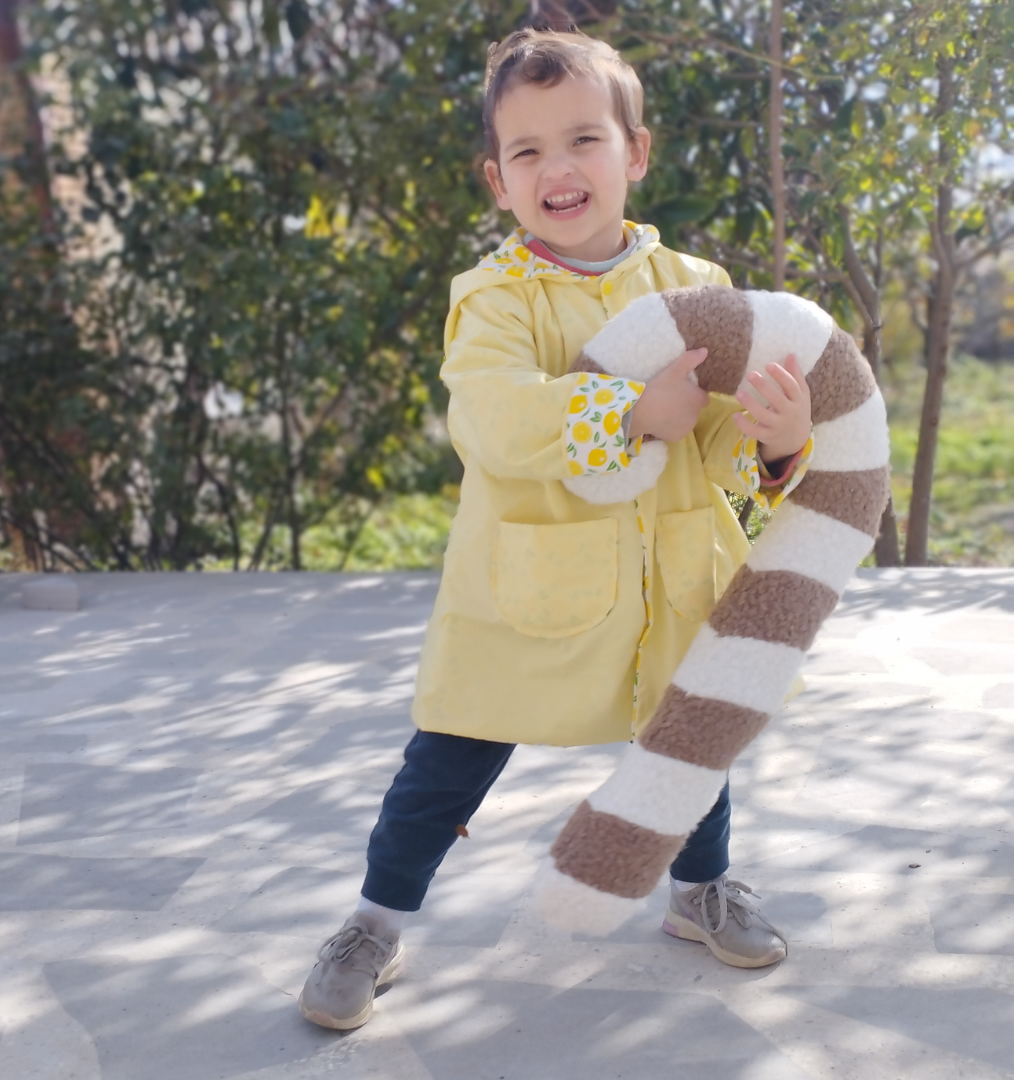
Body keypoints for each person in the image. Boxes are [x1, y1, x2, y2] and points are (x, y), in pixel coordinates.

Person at [299, 27, 813, 1031]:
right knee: (448, 756)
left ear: (637, 155)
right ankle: (372, 922)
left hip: (671, 577)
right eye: (527, 151)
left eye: (583, 139)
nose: (558, 167)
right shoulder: (494, 299)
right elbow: (491, 417)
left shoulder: (697, 290)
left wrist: (778, 441)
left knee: (690, 744)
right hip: (526, 589)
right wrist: (626, 412)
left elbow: (714, 446)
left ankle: (698, 893)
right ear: (498, 179)